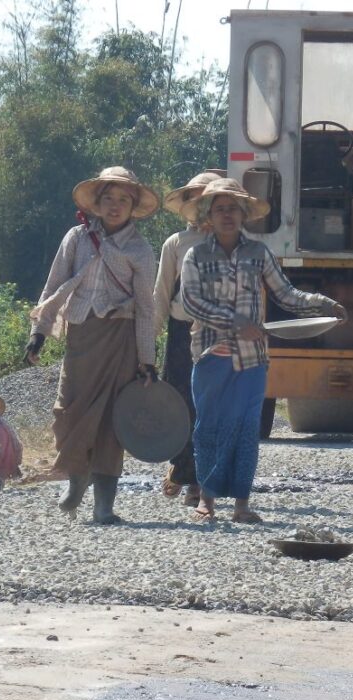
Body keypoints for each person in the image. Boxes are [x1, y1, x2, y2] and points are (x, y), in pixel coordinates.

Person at [179, 177, 348, 524]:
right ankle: (207, 500)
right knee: (209, 426)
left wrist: (323, 304)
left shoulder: (259, 254)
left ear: (244, 214)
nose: (227, 215)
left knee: (246, 428)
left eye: (233, 208)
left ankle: (241, 504)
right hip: (211, 356)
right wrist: (235, 322)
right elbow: (191, 302)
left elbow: (286, 294)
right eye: (220, 209)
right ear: (209, 215)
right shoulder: (196, 255)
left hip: (253, 358)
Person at [24, 166, 159, 524]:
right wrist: (39, 332)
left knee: (112, 420)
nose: (115, 206)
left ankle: (104, 505)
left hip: (121, 339)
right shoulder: (77, 237)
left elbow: (146, 308)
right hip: (81, 336)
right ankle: (77, 477)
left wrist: (147, 359)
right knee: (68, 411)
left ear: (133, 207)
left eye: (123, 200)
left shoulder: (140, 250)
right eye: (108, 198)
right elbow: (54, 285)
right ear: (97, 203)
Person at [154, 170, 224, 508]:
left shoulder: (231, 242)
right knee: (180, 405)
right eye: (195, 201)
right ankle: (185, 473)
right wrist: (147, 343)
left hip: (220, 333)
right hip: (182, 333)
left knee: (212, 406)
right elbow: (161, 294)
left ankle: (203, 479)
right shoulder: (176, 244)